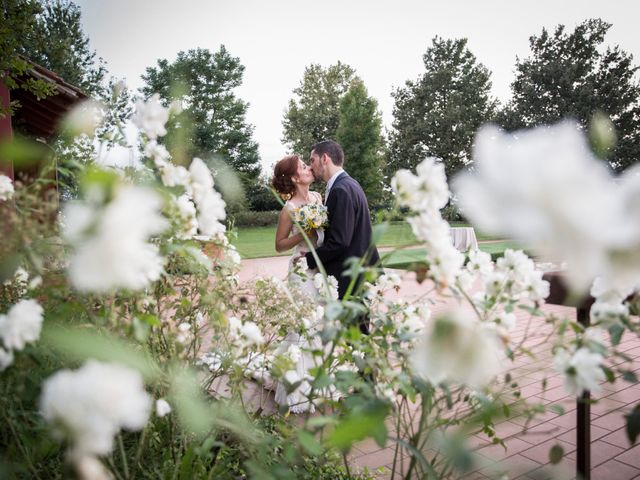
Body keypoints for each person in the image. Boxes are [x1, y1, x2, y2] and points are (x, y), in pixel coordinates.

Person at [304, 140, 380, 333]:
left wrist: (309, 259)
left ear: (325, 158)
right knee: (357, 338)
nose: (311, 166)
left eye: (312, 160)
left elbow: (340, 241)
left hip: (352, 277)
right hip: (360, 272)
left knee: (355, 339)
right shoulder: (349, 184)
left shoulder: (341, 189)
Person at [270, 154, 324, 413]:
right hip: (301, 269)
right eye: (303, 167)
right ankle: (296, 391)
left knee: (318, 324)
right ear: (294, 178)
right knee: (302, 327)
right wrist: (302, 233)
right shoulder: (288, 209)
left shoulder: (318, 199)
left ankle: (318, 384)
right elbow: (279, 245)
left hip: (320, 268)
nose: (308, 169)